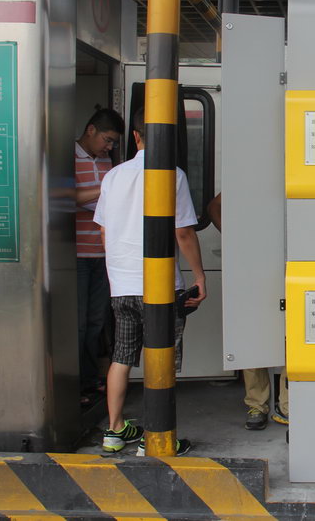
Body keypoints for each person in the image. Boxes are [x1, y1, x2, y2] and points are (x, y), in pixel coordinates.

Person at [94, 107, 206, 454]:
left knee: (121, 357)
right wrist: (199, 276)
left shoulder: (113, 177)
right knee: (162, 359)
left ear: (136, 136)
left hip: (122, 285)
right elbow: (183, 233)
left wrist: (118, 271)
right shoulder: (172, 175)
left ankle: (114, 431)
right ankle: (155, 437)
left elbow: (104, 232)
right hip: (159, 288)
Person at [206, 194, 289, 430]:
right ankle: (257, 404)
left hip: (287, 263)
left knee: (290, 333)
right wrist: (234, 237)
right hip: (253, 265)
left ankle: (287, 404)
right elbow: (214, 207)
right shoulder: (252, 181)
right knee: (254, 331)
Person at [75, 108, 123, 407]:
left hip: (105, 253)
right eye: (107, 139)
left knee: (96, 321)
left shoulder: (107, 162)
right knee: (79, 323)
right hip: (78, 254)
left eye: (113, 142)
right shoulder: (66, 157)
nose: (109, 147)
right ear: (91, 130)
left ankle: (91, 381)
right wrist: (106, 188)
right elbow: (67, 197)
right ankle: (76, 383)